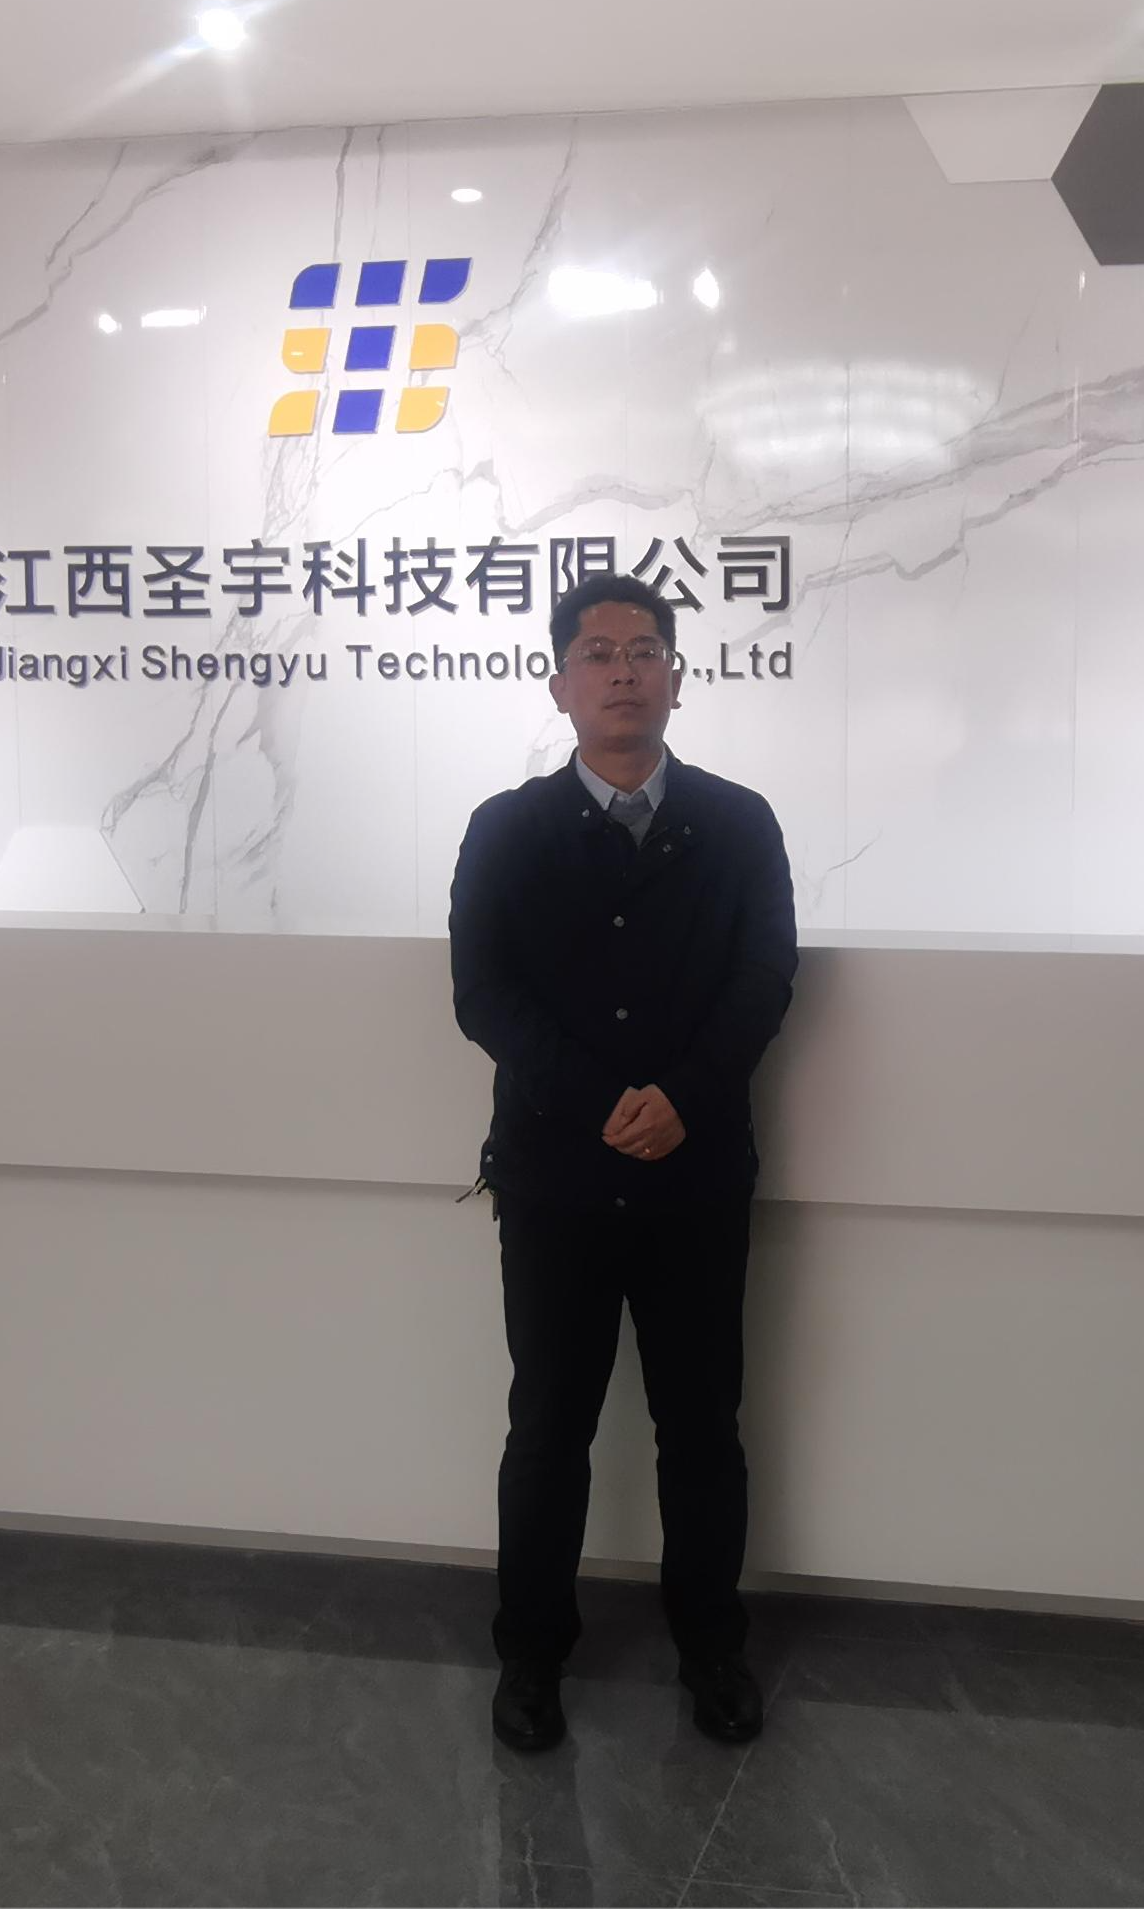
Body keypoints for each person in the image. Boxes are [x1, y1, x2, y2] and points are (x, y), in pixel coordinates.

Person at [448, 571, 797, 1754]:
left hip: (696, 1177)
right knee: (549, 1425)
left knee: (702, 1425)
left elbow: (765, 978)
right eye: (597, 653)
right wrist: (604, 1104)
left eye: (645, 650)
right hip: (557, 1177)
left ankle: (712, 1648)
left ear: (677, 679)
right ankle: (531, 1653)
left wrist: (682, 1099)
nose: (623, 672)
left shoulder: (739, 822)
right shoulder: (507, 829)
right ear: (559, 684)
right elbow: (483, 994)